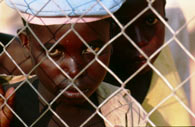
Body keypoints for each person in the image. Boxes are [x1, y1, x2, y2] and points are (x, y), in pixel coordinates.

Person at [0, 0, 192, 126]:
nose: (74, 70)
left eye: (92, 50)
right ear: (26, 43)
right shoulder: (7, 102)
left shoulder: (124, 110)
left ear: (112, 38)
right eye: (55, 51)